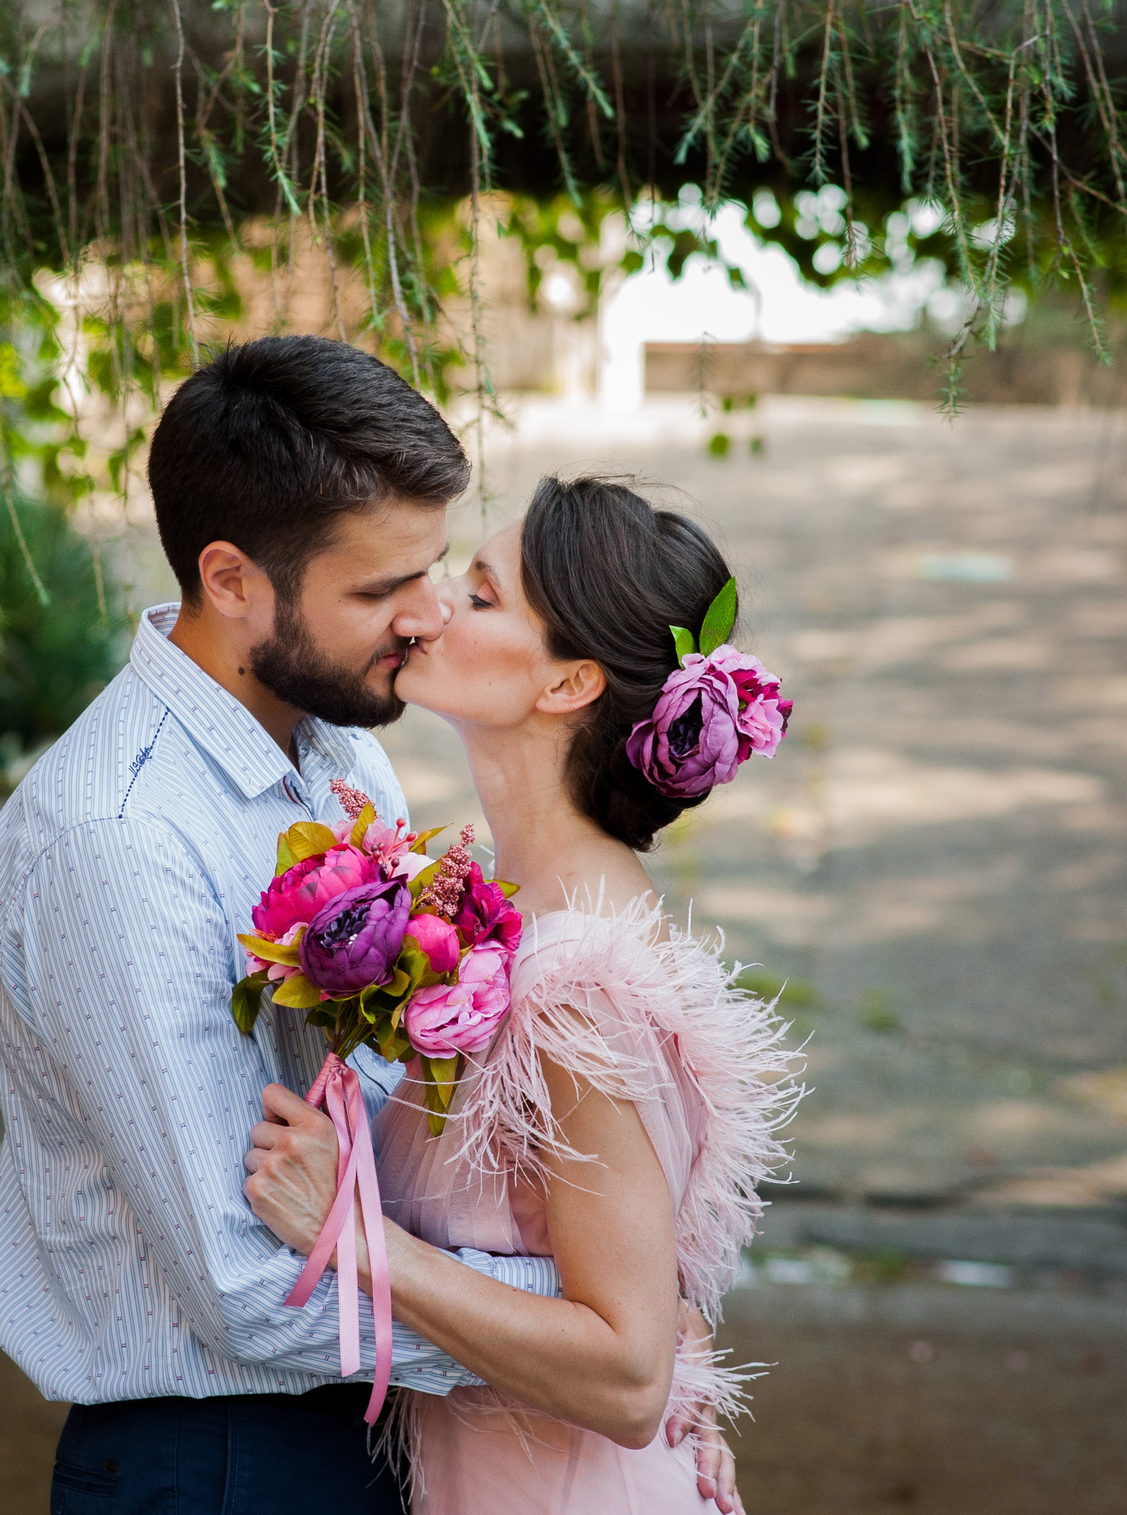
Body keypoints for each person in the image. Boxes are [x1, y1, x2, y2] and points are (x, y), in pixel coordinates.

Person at [0, 336, 569, 1514]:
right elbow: (238, 1280)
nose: (429, 613)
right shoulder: (118, 835)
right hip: (224, 1459)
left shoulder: (337, 744)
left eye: (433, 566)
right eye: (378, 589)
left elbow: (381, 1102)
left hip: (372, 1417)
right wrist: (565, 1325)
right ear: (233, 578)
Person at [244, 475, 798, 1514]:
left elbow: (628, 1374)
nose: (434, 603)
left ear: (566, 683)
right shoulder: (531, 921)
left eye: (484, 594)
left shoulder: (572, 986)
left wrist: (358, 1234)